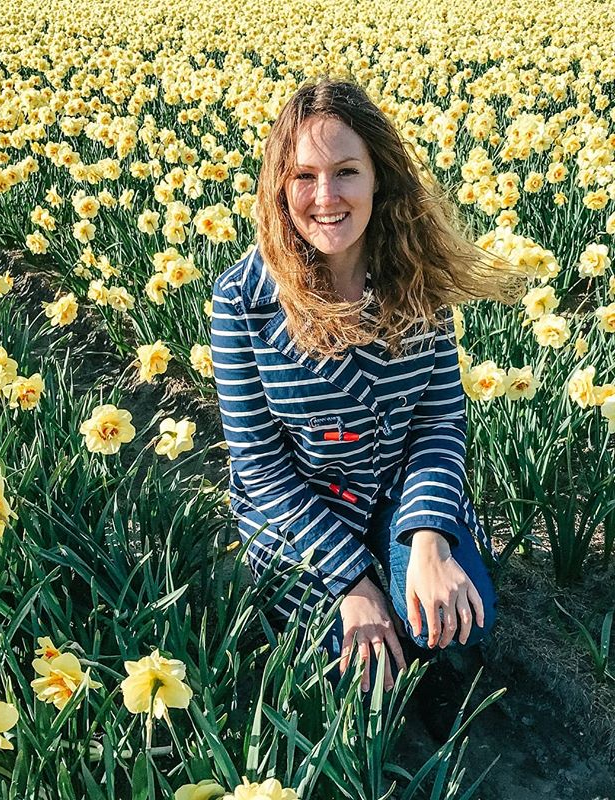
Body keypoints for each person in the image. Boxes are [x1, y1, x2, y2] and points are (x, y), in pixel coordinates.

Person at [210, 77, 524, 736]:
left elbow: (438, 424)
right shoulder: (242, 299)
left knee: (457, 620)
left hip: (395, 495)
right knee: (354, 673)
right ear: (279, 186)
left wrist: (429, 540)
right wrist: (353, 583)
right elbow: (261, 471)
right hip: (303, 516)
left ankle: (417, 589)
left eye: (346, 171)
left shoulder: (416, 277)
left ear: (378, 177)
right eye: (304, 175)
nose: (326, 197)